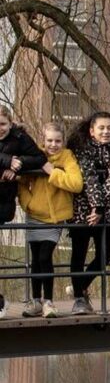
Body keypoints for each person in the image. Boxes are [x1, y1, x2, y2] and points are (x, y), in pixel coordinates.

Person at [17, 122, 82, 318]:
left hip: (55, 218)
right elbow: (22, 183)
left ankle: (49, 302)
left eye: (57, 141)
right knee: (36, 259)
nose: (53, 145)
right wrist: (28, 204)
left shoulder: (67, 157)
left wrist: (51, 171)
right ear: (43, 140)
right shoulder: (35, 156)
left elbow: (76, 184)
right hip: (34, 215)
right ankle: (36, 301)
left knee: (45, 257)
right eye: (49, 140)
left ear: (63, 141)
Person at [67, 111, 110, 315]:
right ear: (92, 131)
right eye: (101, 128)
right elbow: (89, 178)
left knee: (105, 255)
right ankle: (79, 298)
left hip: (105, 213)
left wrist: (101, 208)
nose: (106, 131)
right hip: (82, 211)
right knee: (79, 253)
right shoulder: (82, 150)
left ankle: (79, 285)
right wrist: (95, 207)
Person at [0, 107, 47, 319]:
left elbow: (39, 157)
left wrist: (18, 164)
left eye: (2, 124)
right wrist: (5, 161)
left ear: (10, 123)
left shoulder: (19, 137)